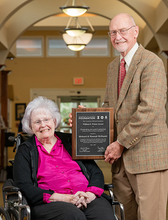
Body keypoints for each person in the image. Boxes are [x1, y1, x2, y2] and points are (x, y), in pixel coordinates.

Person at [69, 13, 168, 220]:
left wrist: (120, 143)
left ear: (135, 32)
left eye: (122, 31)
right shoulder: (113, 67)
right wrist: (83, 119)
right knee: (123, 216)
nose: (118, 37)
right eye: (113, 32)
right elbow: (110, 107)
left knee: (151, 217)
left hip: (147, 158)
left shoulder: (152, 62)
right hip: (120, 163)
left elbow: (149, 109)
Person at [13, 96, 115, 220]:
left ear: (54, 121)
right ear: (30, 126)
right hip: (52, 202)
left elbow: (95, 172)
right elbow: (25, 186)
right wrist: (66, 198)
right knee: (74, 216)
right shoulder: (25, 150)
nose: (43, 125)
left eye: (46, 119)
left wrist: (89, 195)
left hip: (85, 196)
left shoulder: (71, 141)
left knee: (104, 215)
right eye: (37, 122)